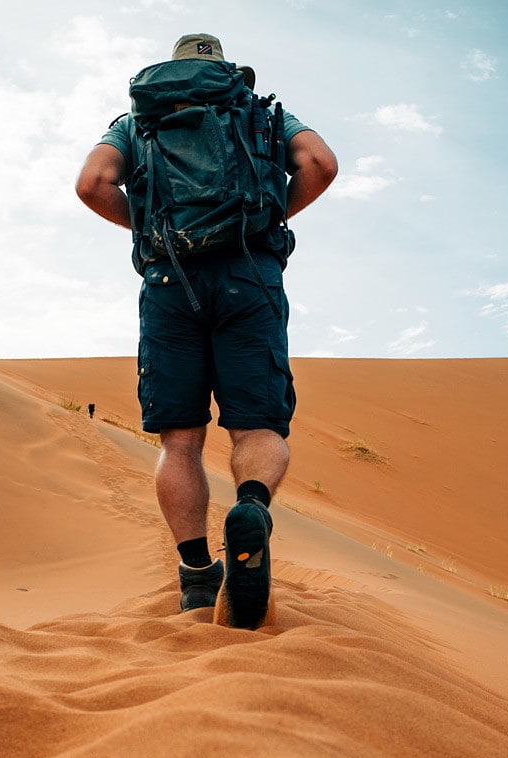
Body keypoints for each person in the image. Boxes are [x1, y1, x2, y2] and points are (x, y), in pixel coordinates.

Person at [75, 32, 337, 628]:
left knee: (181, 442)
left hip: (170, 286)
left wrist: (151, 231)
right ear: (224, 68)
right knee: (257, 428)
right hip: (251, 275)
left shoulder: (134, 123)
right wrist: (269, 216)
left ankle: (196, 577)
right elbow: (321, 164)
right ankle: (251, 508)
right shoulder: (260, 111)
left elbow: (91, 184)